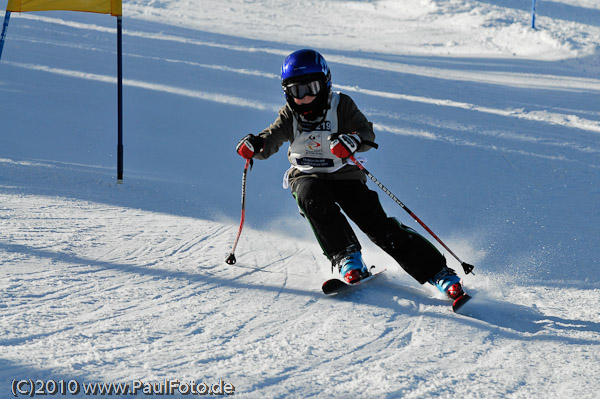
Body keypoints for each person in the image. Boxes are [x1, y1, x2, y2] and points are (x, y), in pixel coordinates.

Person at [236, 49, 465, 303]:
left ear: (325, 83)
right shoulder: (290, 114)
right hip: (306, 174)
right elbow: (271, 138)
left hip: (344, 175)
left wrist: (352, 140)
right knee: (312, 198)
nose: (305, 98)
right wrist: (255, 145)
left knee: (376, 224)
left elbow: (366, 132)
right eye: (296, 91)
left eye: (311, 88)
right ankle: (347, 257)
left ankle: (439, 273)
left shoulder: (341, 105)